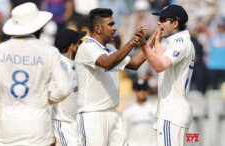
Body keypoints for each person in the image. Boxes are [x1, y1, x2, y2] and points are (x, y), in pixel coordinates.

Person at [0, 3, 70, 146]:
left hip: (6, 124)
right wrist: (44, 101)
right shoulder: (49, 52)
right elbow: (64, 89)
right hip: (38, 125)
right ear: (38, 26)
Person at [74, 8, 150, 146]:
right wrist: (132, 42)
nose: (115, 28)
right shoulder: (87, 46)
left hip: (114, 113)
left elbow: (134, 64)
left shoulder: (110, 48)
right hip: (93, 115)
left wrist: (152, 41)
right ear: (97, 28)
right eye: (110, 24)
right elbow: (107, 63)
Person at [136, 4, 195, 146]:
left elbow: (159, 66)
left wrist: (144, 45)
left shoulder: (181, 43)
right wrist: (156, 41)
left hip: (172, 112)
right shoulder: (178, 41)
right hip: (174, 111)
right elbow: (162, 59)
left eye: (163, 19)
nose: (158, 22)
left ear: (175, 23)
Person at [53, 28, 86, 146]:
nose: (80, 46)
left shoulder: (72, 63)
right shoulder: (59, 65)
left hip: (73, 123)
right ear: (72, 46)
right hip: (61, 123)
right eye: (79, 43)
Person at [122, 79, 157, 146]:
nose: (142, 92)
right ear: (134, 91)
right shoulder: (128, 112)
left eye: (144, 89)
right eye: (138, 89)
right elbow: (124, 133)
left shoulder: (155, 110)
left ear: (147, 90)